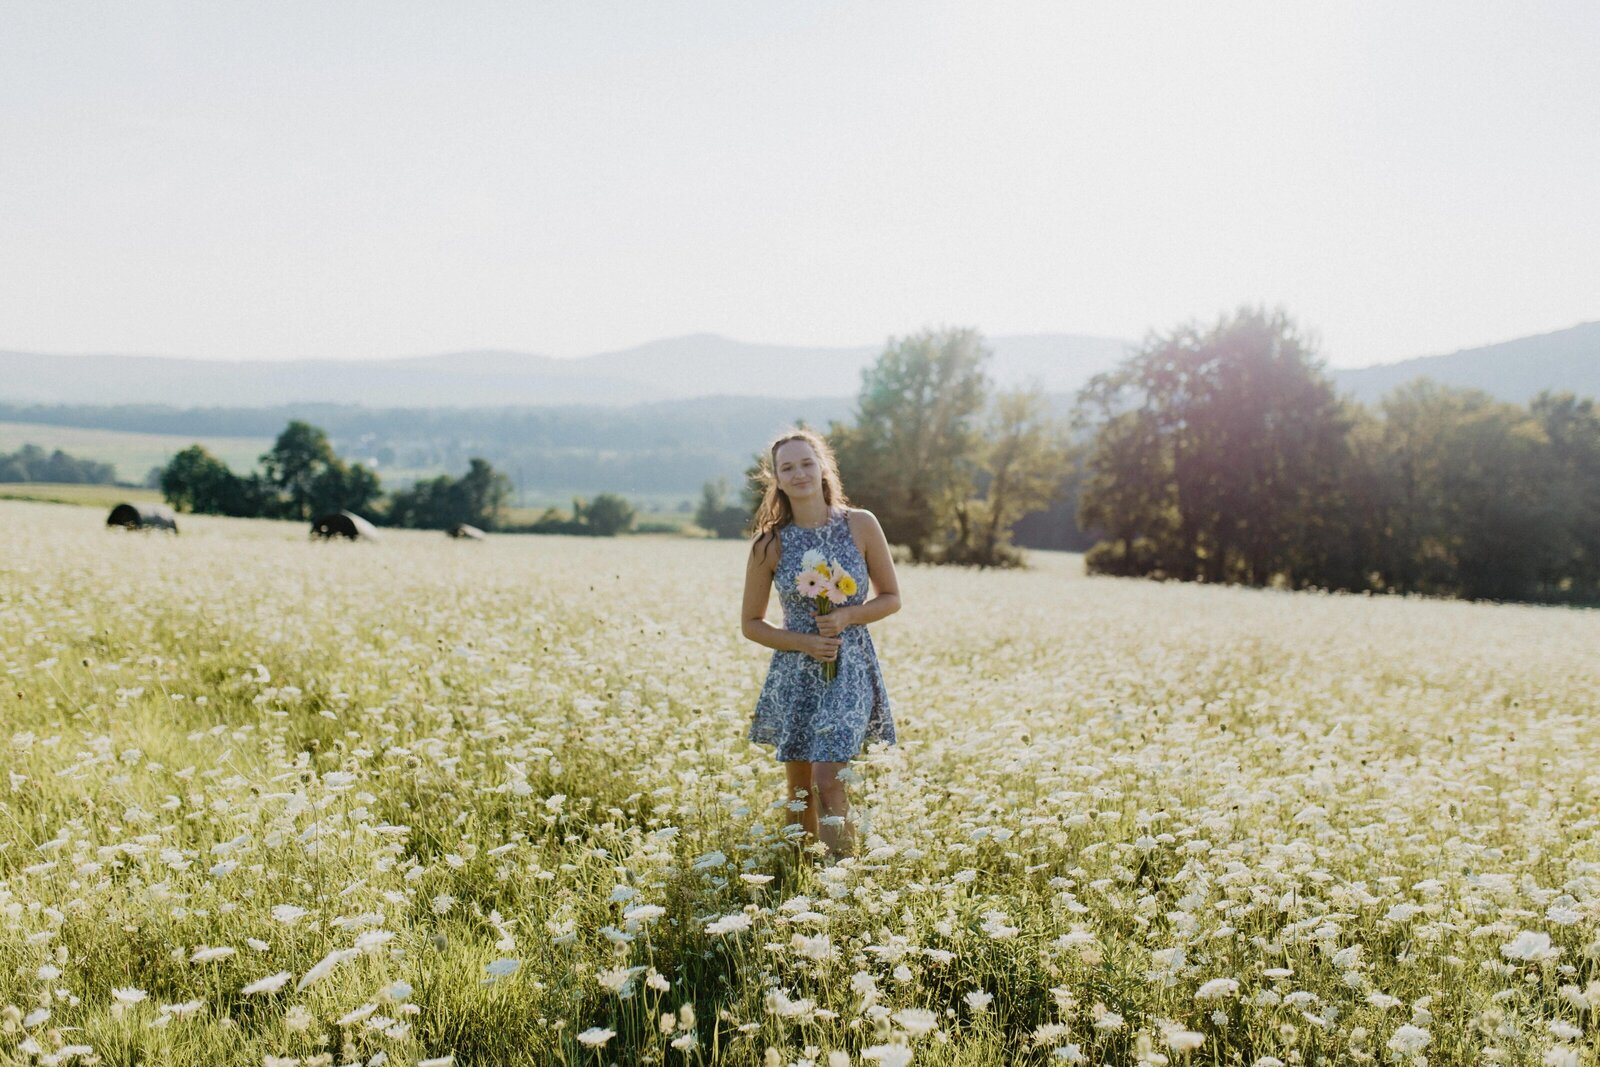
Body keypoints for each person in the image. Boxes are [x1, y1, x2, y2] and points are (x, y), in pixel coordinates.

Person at [742, 428, 900, 857]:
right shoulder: (769, 543)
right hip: (796, 671)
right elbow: (752, 624)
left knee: (828, 780)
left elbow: (891, 598)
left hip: (848, 667)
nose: (799, 473)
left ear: (823, 467)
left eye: (806, 463)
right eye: (787, 468)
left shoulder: (861, 524)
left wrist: (848, 615)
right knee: (799, 792)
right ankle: (798, 883)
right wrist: (803, 643)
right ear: (775, 478)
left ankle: (840, 883)